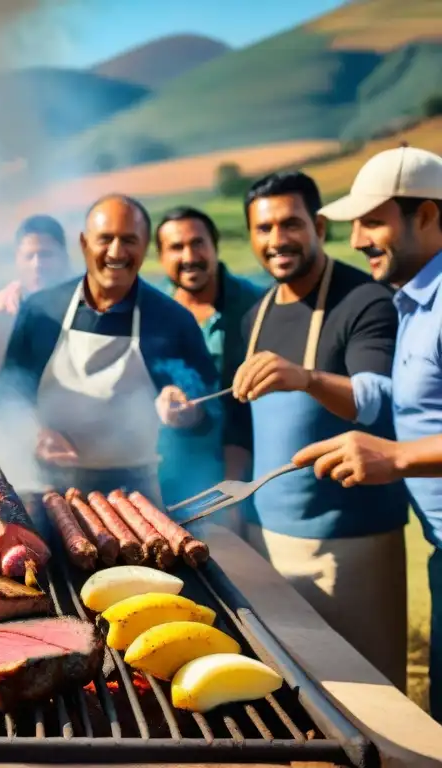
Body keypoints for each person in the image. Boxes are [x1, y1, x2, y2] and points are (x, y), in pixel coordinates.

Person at [229, 171, 409, 690]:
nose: (277, 240)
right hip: (267, 539)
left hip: (351, 543)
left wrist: (306, 378)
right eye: (263, 229)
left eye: (291, 224)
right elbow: (243, 424)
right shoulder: (255, 315)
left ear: (319, 227)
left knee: (371, 694)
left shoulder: (365, 300)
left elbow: (375, 399)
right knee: (295, 695)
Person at [288, 145, 442, 717]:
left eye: (373, 222)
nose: (355, 241)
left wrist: (398, 458)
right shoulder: (412, 302)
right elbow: (403, 402)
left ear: (426, 214)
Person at [0, 195, 219, 501]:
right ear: (85, 244)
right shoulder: (41, 310)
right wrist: (33, 434)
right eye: (105, 239)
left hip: (137, 494)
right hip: (48, 487)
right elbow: (7, 391)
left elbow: (209, 405)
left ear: (145, 245)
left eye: (129, 240)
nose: (116, 252)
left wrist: (190, 412)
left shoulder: (172, 319)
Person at [155, 206, 265, 513]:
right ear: (161, 257)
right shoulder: (150, 315)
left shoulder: (258, 307)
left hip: (247, 481)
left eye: (198, 243)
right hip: (169, 481)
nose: (189, 256)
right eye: (176, 247)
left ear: (215, 246)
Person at [0, 214, 73, 317]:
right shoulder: (4, 309)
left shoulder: (86, 303)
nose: (36, 265)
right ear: (17, 260)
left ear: (64, 257)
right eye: (29, 256)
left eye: (45, 255)